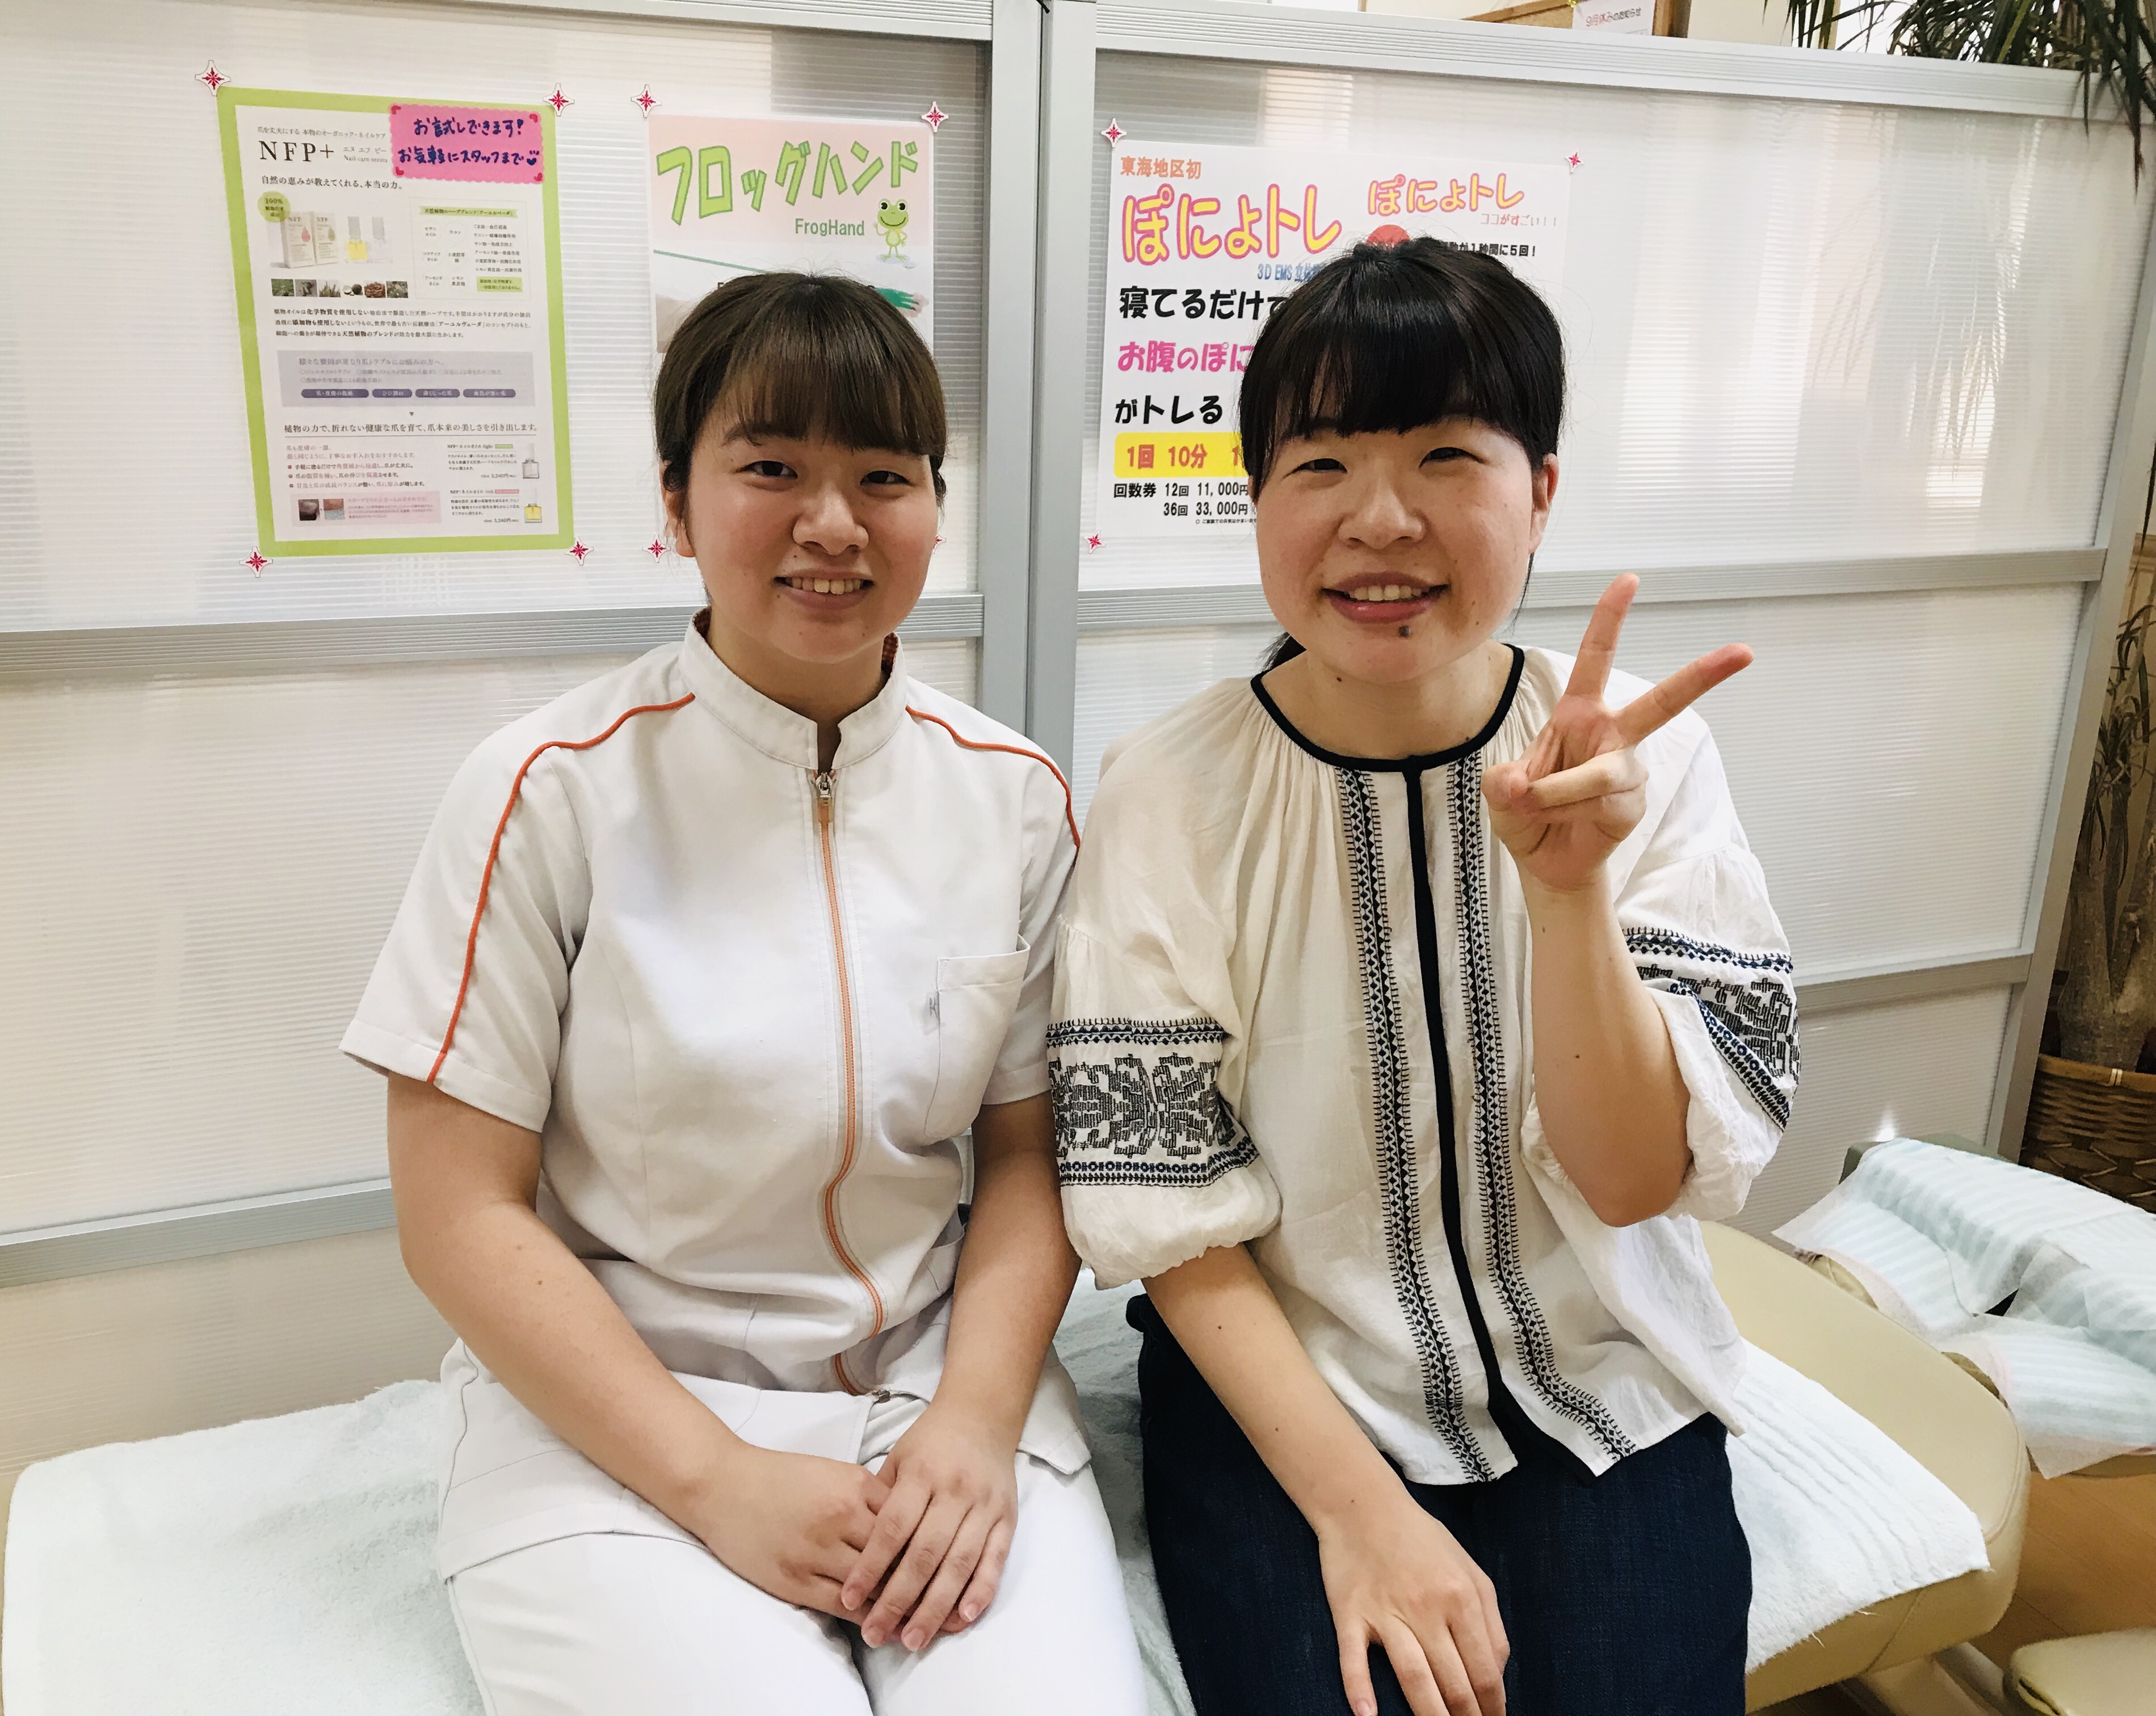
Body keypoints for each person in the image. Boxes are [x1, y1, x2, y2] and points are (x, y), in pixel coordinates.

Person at [345, 272, 1146, 1716]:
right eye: (771, 468)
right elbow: (457, 1212)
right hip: (622, 1418)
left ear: (935, 506)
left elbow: (1028, 1157)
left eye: (884, 477)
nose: (833, 524)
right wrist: (717, 1478)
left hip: (931, 1395)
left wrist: (975, 1421)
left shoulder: (1015, 799)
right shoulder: (548, 791)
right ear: (677, 499)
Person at [1048, 239, 1796, 1716]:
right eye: (1321, 462)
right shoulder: (1167, 793)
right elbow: (1168, 1218)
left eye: (1447, 455)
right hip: (1288, 1404)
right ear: (1258, 498)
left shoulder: (1648, 767)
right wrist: (1363, 1518)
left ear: (1542, 490)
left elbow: (1635, 1178)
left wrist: (1570, 897)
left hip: (1603, 1380)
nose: (1380, 519)